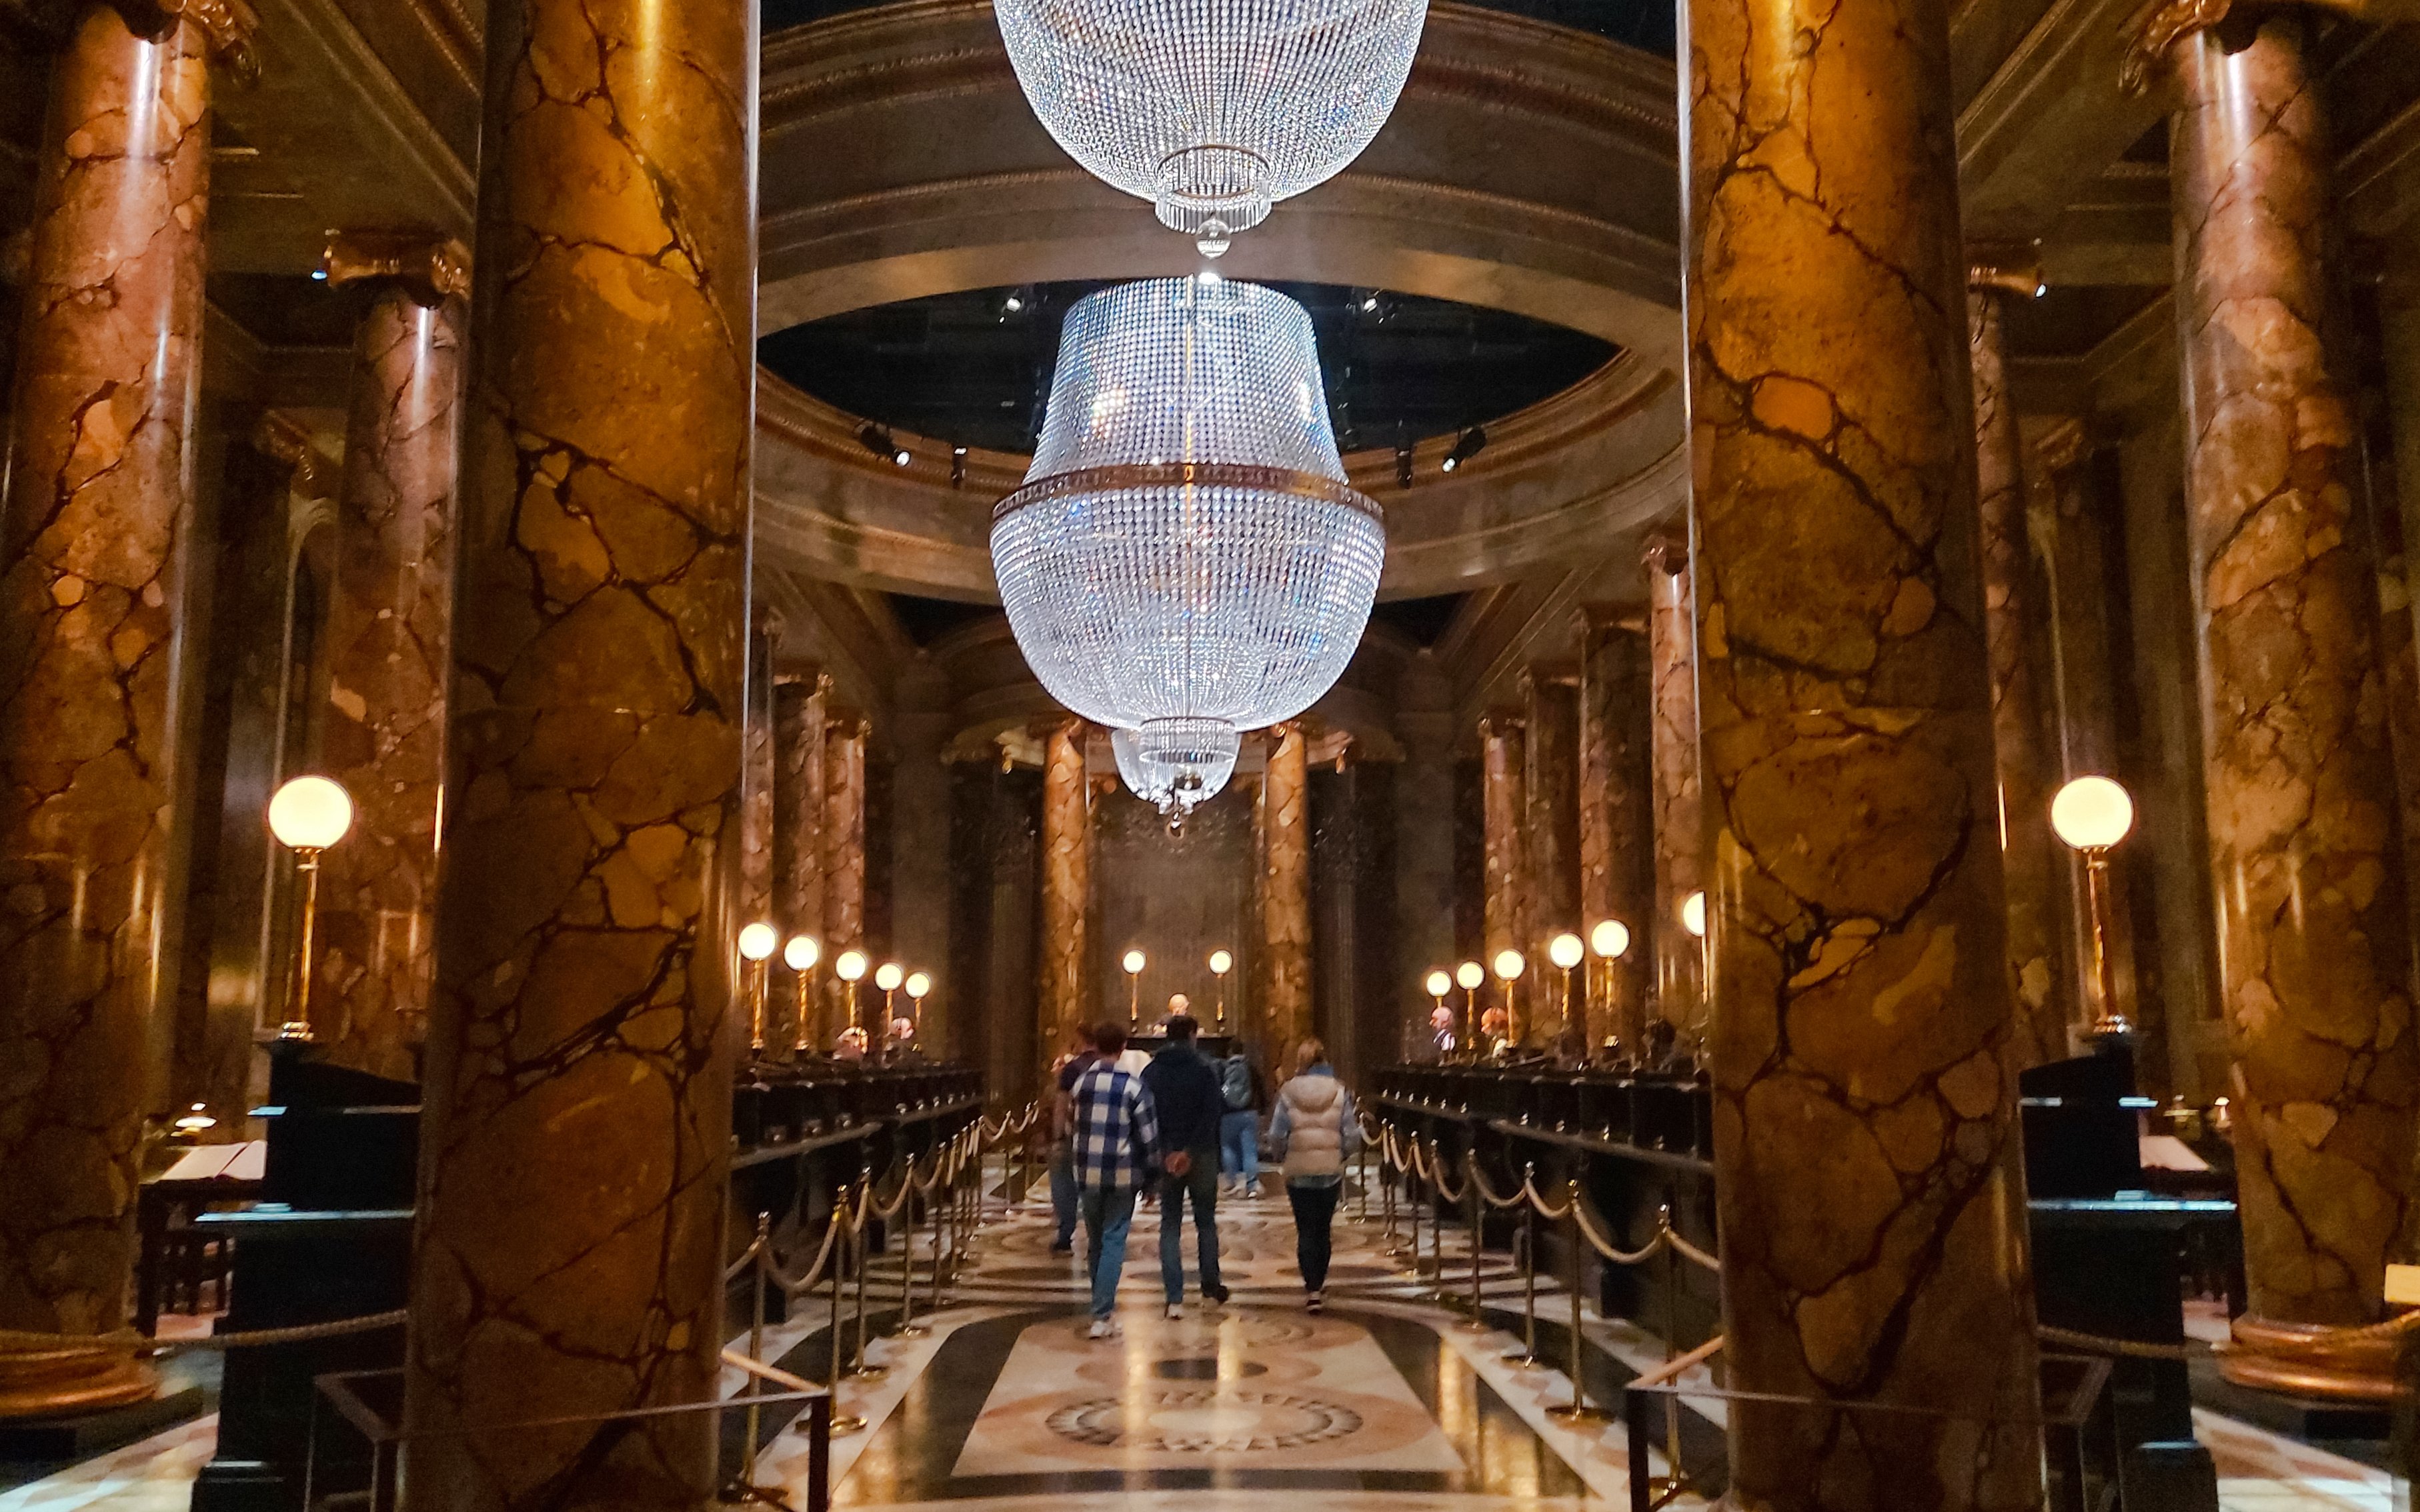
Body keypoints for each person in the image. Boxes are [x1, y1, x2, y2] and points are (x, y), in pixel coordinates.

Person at [1070, 1022, 1162, 1338]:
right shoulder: (1134, 1087)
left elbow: (1075, 1125)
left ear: (1095, 1045)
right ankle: (1102, 1313)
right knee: (1112, 1240)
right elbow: (1149, 1138)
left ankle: (1101, 1310)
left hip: (1087, 1172)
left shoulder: (1082, 1084)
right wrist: (1152, 1180)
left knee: (1096, 1241)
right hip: (1123, 1174)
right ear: (1123, 1046)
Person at [1142, 1012, 1227, 1317]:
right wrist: (1189, 1151)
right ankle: (1210, 1286)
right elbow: (1212, 1114)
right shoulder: (1206, 1069)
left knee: (1170, 1224)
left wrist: (1166, 1152)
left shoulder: (1152, 1072)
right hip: (1201, 1154)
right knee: (1206, 1221)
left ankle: (1174, 1297)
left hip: (1165, 1155)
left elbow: (1146, 1117)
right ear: (1192, 1035)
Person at [1269, 1037, 1360, 1315]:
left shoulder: (1288, 1091)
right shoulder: (1338, 1090)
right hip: (1329, 1170)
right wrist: (1340, 1154)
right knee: (1323, 1229)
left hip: (1299, 1172)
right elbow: (1352, 1134)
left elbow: (1276, 1134)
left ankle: (1312, 1288)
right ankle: (1319, 1282)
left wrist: (1282, 1155)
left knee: (1305, 1230)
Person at [1048, 1027, 1106, 1256]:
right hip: (1101, 1137)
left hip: (1074, 1134)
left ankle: (1065, 1234)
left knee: (1064, 1184)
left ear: (1082, 1041)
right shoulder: (1108, 1067)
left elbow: (1061, 1106)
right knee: (1095, 1188)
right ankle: (1096, 1235)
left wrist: (1057, 1136)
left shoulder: (1073, 1069)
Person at [1216, 1042, 1263, 1199]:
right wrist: (1262, 1108)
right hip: (1248, 1113)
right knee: (1249, 1150)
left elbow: (1219, 1090)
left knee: (1228, 1148)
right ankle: (1251, 1185)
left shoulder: (1222, 1068)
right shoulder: (1250, 1067)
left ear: (1229, 1051)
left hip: (1228, 1114)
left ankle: (1231, 1180)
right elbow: (1260, 1087)